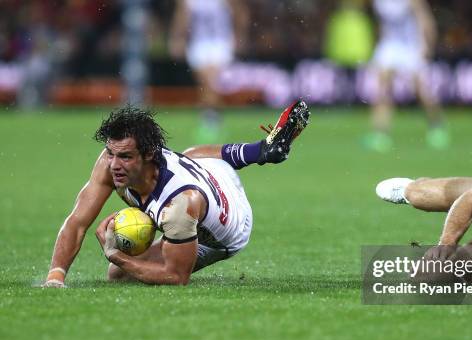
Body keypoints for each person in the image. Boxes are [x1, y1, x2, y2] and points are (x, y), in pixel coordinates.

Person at [42, 101, 310, 287]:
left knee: (118, 275)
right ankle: (261, 150)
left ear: (148, 154)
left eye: (125, 156)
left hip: (230, 228)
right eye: (111, 153)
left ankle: (261, 152)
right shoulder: (112, 164)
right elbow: (77, 222)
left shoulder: (179, 206)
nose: (113, 164)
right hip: (210, 170)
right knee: (191, 154)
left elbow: (176, 276)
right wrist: (56, 276)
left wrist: (117, 255)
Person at [365, 0, 448, 152]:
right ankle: (380, 134)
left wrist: (428, 46)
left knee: (421, 90)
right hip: (390, 44)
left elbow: (425, 20)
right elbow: (381, 23)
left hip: (411, 45)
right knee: (382, 89)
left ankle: (437, 127)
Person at [169, 0, 246, 143]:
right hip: (198, 43)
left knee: (211, 82)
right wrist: (178, 38)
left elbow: (239, 13)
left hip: (220, 42)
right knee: (204, 85)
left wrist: (238, 36)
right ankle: (213, 118)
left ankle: (209, 123)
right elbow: (182, 18)